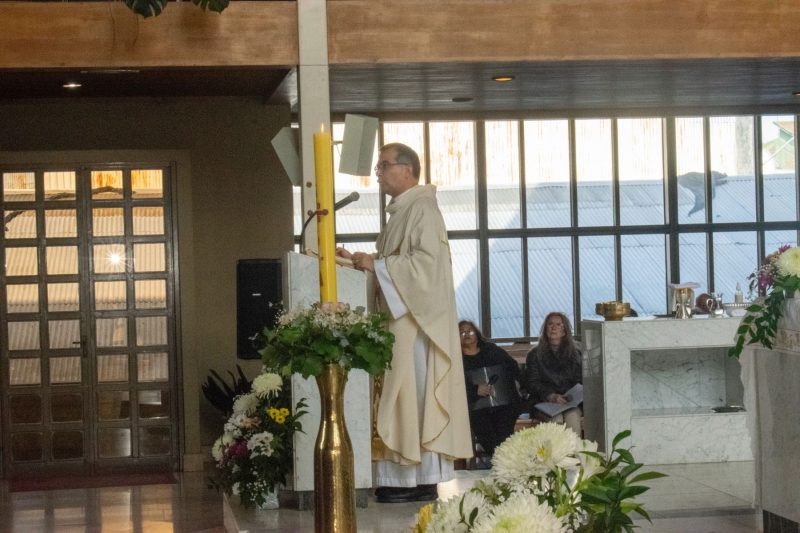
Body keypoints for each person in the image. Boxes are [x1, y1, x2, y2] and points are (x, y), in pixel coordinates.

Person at [336, 143, 472, 504]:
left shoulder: (423, 208)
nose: (378, 173)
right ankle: (405, 476)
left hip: (415, 329)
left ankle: (416, 478)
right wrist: (358, 261)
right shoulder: (404, 211)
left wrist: (377, 265)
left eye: (384, 166)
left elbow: (426, 267)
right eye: (379, 166)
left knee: (412, 400)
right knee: (400, 401)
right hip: (400, 325)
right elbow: (397, 261)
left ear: (408, 169)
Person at [459, 320, 522, 459]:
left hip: (503, 402)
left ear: (476, 334)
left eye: (469, 331)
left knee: (505, 428)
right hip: (476, 406)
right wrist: (475, 390)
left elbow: (511, 365)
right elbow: (454, 385)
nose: (466, 335)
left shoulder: (491, 350)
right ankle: (501, 460)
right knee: (484, 428)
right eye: (462, 332)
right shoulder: (456, 358)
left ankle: (505, 461)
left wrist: (515, 380)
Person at [523, 312, 582, 435]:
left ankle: (576, 453)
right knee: (556, 419)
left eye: (559, 324)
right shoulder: (534, 354)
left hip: (568, 401)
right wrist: (550, 395)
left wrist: (568, 396)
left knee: (572, 416)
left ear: (564, 331)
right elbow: (531, 383)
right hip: (542, 401)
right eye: (550, 324)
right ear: (545, 329)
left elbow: (580, 380)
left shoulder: (575, 354)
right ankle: (556, 453)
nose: (554, 328)